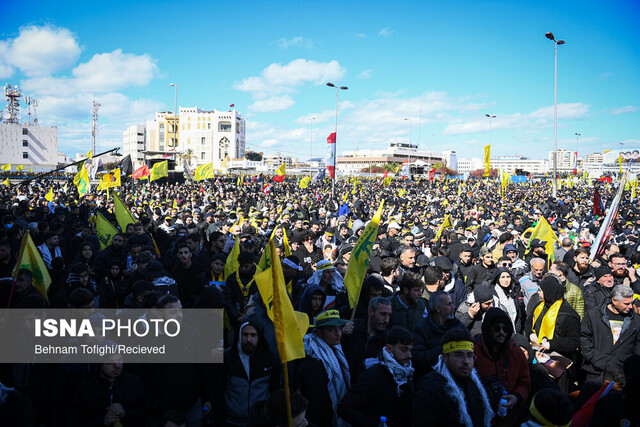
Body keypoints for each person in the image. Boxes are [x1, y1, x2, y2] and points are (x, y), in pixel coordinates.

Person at [412, 328, 494, 427]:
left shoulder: (473, 383)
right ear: (445, 356)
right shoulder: (429, 389)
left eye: (469, 355)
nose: (466, 361)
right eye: (459, 355)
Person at [338, 326, 415, 426]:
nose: (409, 355)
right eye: (404, 350)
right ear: (389, 348)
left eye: (411, 350)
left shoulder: (408, 375)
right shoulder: (374, 376)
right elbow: (345, 408)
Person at [213, 320, 281, 426]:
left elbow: (275, 390)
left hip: (261, 420)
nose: (249, 339)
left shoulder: (270, 359)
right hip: (232, 421)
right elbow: (218, 390)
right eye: (245, 335)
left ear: (260, 337)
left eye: (253, 335)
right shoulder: (227, 357)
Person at [473, 308, 530, 423]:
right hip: (479, 414)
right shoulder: (473, 352)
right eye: (497, 328)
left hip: (507, 415)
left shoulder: (517, 353)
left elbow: (525, 383)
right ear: (488, 329)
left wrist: (517, 397)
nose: (502, 332)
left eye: (505, 329)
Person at [295, 309, 350, 427]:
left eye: (339, 328)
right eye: (331, 330)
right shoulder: (313, 362)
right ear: (319, 332)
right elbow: (317, 404)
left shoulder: (335, 349)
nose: (338, 333)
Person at [72, 351, 150, 426]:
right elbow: (75, 421)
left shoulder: (133, 382)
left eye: (119, 360)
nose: (117, 366)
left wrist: (125, 413)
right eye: (109, 362)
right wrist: (103, 421)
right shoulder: (85, 388)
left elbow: (146, 411)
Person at [580, 285, 640, 380]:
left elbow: (637, 346)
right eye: (626, 304)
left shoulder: (635, 320)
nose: (630, 307)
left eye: (631, 303)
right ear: (614, 300)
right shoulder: (593, 315)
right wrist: (597, 360)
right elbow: (584, 340)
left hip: (623, 373)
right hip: (596, 372)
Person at [413, 290, 466, 378]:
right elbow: (419, 358)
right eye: (449, 304)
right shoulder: (421, 328)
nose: (453, 307)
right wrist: (445, 347)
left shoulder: (458, 326)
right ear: (438, 308)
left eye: (452, 303)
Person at [341, 296, 391, 385]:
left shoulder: (388, 339)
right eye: (383, 314)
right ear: (370, 311)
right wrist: (342, 334)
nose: (386, 320)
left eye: (389, 315)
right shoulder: (353, 328)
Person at [490, 267, 526, 334]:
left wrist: (517, 330)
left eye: (508, 277)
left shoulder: (514, 293)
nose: (506, 280)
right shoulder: (493, 294)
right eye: (503, 277)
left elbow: (519, 315)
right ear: (498, 279)